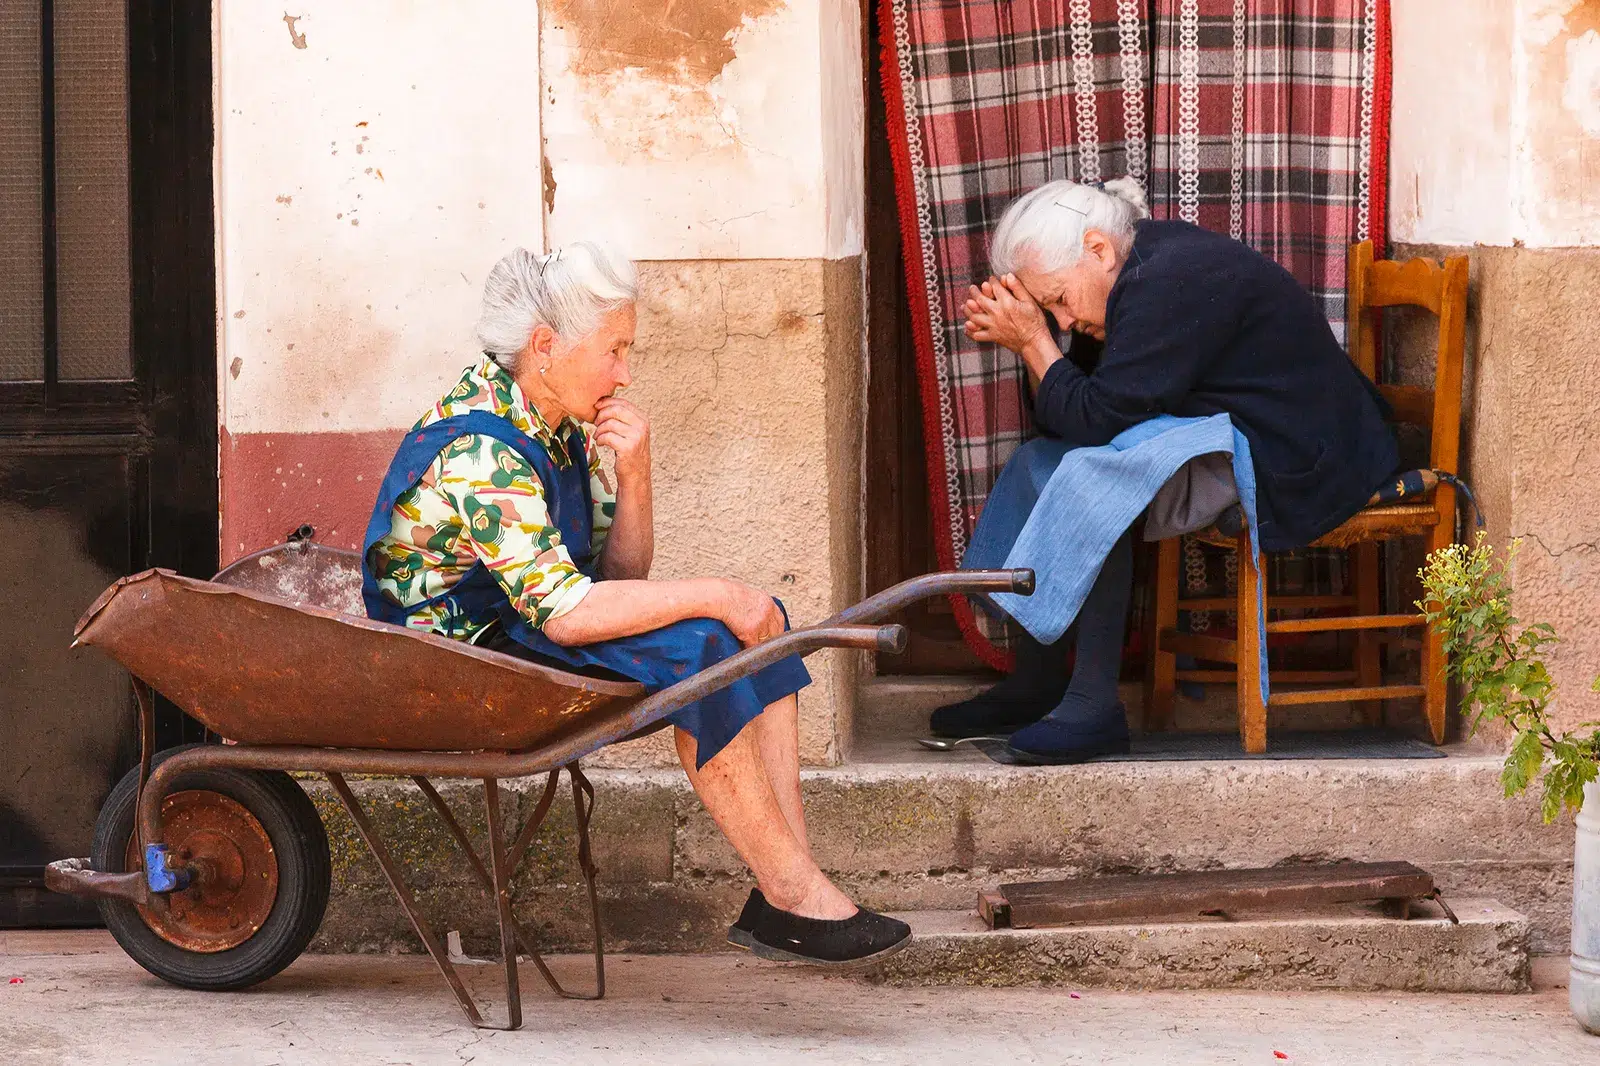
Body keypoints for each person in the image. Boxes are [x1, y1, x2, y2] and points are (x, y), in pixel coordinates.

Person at [362, 241, 909, 965]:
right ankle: (792, 892)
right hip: (459, 658)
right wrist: (720, 594)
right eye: (614, 350)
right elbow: (563, 611)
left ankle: (792, 886)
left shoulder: (554, 422)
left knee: (764, 624)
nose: (626, 371)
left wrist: (636, 469)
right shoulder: (483, 448)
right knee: (712, 641)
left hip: (521, 625)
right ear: (545, 345)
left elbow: (618, 572)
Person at [931, 178, 1400, 763]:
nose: (1064, 321)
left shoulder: (1169, 281)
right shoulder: (1126, 277)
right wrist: (1038, 339)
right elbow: (1066, 423)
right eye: (1049, 309)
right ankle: (1038, 681)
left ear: (1098, 250)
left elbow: (1097, 421)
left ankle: (1093, 706)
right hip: (1225, 433)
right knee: (1039, 462)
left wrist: (1032, 340)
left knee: (1096, 477)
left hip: (1298, 454)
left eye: (1058, 300)